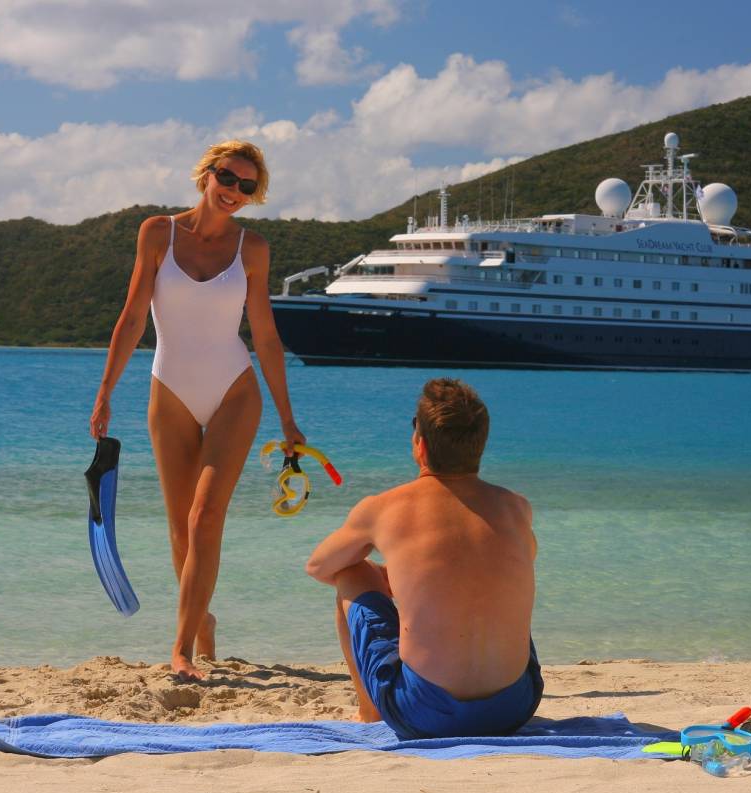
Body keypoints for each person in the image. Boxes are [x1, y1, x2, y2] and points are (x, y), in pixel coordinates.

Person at [90, 140, 304, 681]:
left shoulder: (252, 248)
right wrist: (106, 389)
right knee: (181, 531)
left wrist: (287, 417)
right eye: (228, 179)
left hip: (235, 389)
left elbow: (266, 336)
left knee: (206, 516)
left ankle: (180, 648)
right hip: (171, 391)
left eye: (248, 187)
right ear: (206, 175)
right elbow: (134, 315)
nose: (235, 192)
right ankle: (202, 621)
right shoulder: (157, 232)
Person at [305, 378, 542, 739]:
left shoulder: (384, 508)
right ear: (480, 446)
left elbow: (320, 567)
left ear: (420, 445)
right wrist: (409, 576)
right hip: (515, 707)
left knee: (350, 571)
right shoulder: (516, 508)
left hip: (423, 712)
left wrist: (389, 577)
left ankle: (369, 712)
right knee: (495, 582)